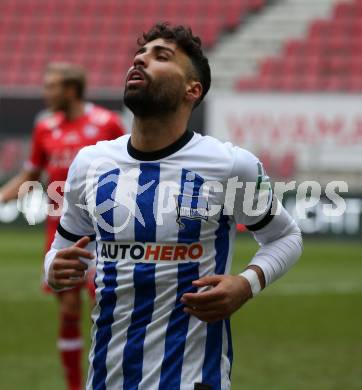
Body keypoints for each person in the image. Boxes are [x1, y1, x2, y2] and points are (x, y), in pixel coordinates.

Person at [44, 24, 303, 390]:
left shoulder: (230, 165)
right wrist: (53, 269)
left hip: (192, 377)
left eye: (160, 56)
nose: (141, 59)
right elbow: (59, 250)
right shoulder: (90, 163)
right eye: (140, 54)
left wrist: (246, 284)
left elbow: (286, 236)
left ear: (191, 90)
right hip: (106, 377)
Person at [0, 62, 125, 390]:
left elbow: (131, 169)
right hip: (60, 232)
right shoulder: (45, 128)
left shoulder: (106, 123)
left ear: (71, 90)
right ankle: (74, 386)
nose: (46, 93)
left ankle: (112, 378)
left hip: (102, 232)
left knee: (106, 305)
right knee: (68, 308)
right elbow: (31, 176)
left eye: (51, 86)